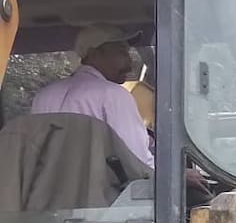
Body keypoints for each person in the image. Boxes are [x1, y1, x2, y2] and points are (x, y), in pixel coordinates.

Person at [32, 25, 205, 187]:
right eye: (121, 52)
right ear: (95, 53)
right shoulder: (113, 94)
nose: (129, 63)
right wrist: (178, 175)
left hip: (48, 201)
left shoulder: (43, 96)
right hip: (99, 203)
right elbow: (137, 162)